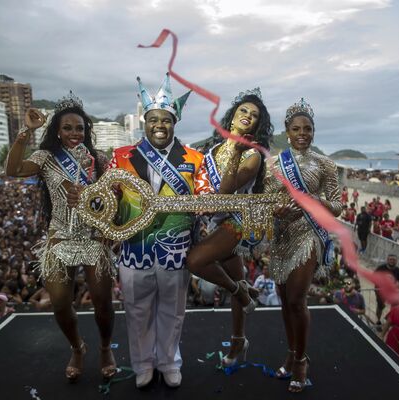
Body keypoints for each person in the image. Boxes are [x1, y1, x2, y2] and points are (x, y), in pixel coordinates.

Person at [5, 93, 116, 382]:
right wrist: (27, 131)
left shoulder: (99, 161)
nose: (74, 133)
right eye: (67, 128)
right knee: (59, 304)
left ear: (86, 130)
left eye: (79, 128)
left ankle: (105, 348)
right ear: (57, 130)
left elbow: (113, 201)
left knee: (103, 302)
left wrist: (93, 199)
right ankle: (77, 347)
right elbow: (13, 170)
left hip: (94, 238)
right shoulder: (45, 158)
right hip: (59, 239)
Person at [110, 74, 212, 388]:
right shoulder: (121, 157)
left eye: (165, 120)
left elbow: (206, 194)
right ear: (145, 121)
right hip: (134, 248)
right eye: (153, 119)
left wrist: (206, 205)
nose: (159, 125)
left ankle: (169, 362)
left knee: (173, 311)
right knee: (137, 312)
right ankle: (142, 364)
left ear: (174, 122)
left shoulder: (195, 159)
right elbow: (108, 199)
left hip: (177, 249)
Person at [185, 88, 273, 367]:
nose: (248, 116)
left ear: (259, 125)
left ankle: (240, 291)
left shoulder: (253, 155)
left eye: (255, 115)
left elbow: (224, 194)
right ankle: (238, 342)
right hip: (213, 222)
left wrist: (236, 153)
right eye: (244, 110)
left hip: (238, 221)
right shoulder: (211, 150)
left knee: (195, 261)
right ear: (233, 115)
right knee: (237, 276)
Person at [261, 98, 342, 392]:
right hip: (282, 236)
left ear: (314, 131)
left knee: (297, 299)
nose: (302, 133)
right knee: (285, 301)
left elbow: (337, 207)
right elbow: (267, 201)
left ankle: (302, 359)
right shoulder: (274, 164)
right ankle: (291, 353)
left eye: (307, 128)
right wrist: (275, 210)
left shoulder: (326, 165)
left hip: (309, 233)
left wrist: (314, 200)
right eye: (296, 128)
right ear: (287, 130)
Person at [374, 255, 399, 328]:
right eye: (390, 259)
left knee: (396, 306)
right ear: (387, 260)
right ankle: (378, 321)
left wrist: (396, 286)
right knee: (380, 306)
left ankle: (390, 320)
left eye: (394, 260)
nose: (392, 261)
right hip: (380, 290)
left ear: (396, 261)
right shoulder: (381, 268)